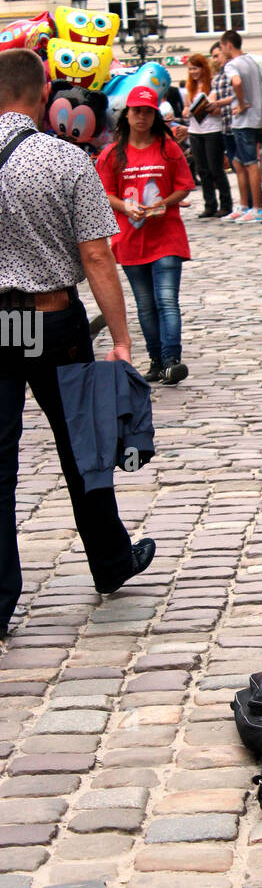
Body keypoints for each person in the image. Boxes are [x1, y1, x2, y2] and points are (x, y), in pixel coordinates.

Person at [0, 47, 155, 635]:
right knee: (80, 444)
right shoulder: (65, 160)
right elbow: (96, 254)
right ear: (43, 96)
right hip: (50, 320)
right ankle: (111, 561)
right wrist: (120, 337)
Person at [96, 85, 195, 386]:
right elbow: (104, 193)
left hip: (167, 236)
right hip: (130, 239)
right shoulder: (113, 153)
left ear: (155, 115)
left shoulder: (168, 149)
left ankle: (171, 361)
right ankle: (155, 361)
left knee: (167, 300)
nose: (142, 117)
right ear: (126, 114)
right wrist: (126, 206)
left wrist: (164, 202)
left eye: (148, 112)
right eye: (137, 111)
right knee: (144, 305)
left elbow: (184, 185)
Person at [219, 29, 262, 223]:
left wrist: (242, 102)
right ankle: (245, 205)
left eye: (222, 46)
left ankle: (257, 208)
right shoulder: (252, 62)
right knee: (239, 162)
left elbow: (236, 82)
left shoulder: (233, 65)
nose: (222, 50)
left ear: (229, 45)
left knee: (250, 164)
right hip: (257, 117)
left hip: (244, 119)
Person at [183, 53, 232, 219]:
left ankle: (226, 204)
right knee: (202, 170)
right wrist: (186, 111)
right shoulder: (190, 88)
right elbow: (186, 108)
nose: (193, 72)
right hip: (195, 131)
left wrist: (210, 108)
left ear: (203, 68)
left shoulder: (213, 84)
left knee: (215, 168)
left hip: (212, 130)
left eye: (195, 68)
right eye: (190, 69)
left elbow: (218, 110)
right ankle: (209, 204)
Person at [208, 41, 236, 213]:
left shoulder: (233, 73)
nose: (215, 59)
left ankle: (252, 204)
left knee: (243, 165)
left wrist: (216, 103)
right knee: (234, 165)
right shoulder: (217, 77)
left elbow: (237, 95)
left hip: (237, 123)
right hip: (225, 125)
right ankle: (242, 205)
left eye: (217, 55)